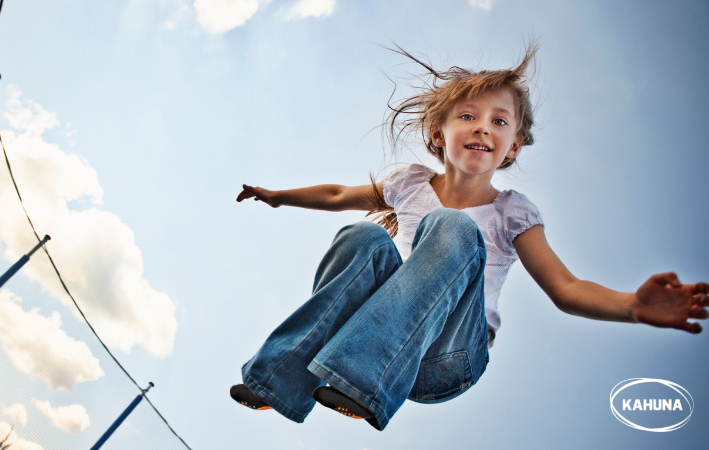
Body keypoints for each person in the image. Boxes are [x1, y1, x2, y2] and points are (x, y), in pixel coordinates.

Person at [229, 44, 709, 431]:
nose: (483, 127)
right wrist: (278, 197)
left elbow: (566, 289)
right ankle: (280, 380)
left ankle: (364, 382)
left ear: (513, 145)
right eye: (468, 116)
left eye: (499, 121)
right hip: (379, 335)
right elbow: (338, 194)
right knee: (363, 237)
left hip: (448, 357)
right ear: (439, 133)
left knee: (452, 227)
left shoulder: (511, 212)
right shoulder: (409, 184)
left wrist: (632, 306)